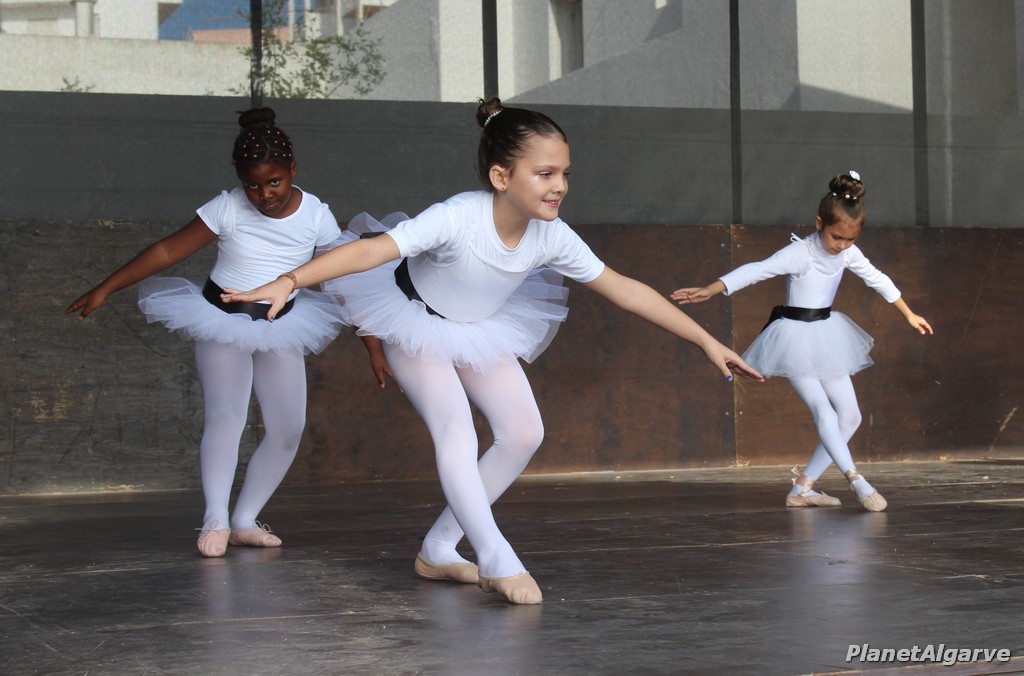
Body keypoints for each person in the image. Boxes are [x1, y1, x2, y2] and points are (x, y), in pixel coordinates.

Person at [222, 97, 762, 605]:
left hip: (478, 327)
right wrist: (290, 280)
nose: (560, 186)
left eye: (565, 173)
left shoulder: (552, 235)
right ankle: (496, 556)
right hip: (414, 323)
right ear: (501, 177)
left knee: (524, 432)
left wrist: (707, 340)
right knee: (456, 430)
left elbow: (626, 290)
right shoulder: (459, 215)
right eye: (545, 174)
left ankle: (439, 548)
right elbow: (371, 251)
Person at [65, 108, 349, 557]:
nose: (264, 195)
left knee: (288, 428)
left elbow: (343, 278)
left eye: (274, 182)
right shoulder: (228, 207)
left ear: (293, 170)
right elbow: (167, 250)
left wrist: (374, 346)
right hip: (222, 319)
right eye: (252, 185)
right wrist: (106, 287)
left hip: (281, 323)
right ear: (239, 178)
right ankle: (216, 517)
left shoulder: (316, 215)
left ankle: (244, 519)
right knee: (226, 416)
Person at [672, 171, 933, 512]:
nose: (842, 246)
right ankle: (857, 480)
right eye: (836, 237)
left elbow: (877, 279)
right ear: (819, 223)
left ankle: (802, 488)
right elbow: (757, 269)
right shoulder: (801, 253)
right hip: (794, 339)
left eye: (850, 239)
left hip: (827, 335)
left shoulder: (848, 254)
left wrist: (908, 313)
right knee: (823, 411)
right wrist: (712, 288)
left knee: (850, 417)